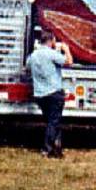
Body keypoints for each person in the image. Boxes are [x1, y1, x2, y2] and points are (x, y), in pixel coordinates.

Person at [25, 30, 73, 158]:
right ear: (51, 41)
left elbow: (27, 67)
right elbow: (69, 62)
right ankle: (47, 149)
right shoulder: (52, 54)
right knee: (54, 122)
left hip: (40, 94)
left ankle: (57, 148)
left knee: (51, 122)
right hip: (53, 93)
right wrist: (65, 49)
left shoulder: (33, 56)